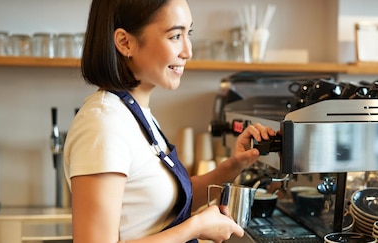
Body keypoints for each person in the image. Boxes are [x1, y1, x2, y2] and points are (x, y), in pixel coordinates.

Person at [62, 0, 277, 242]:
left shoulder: (135, 114)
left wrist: (235, 165)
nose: (188, 51)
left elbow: (172, 201)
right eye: (175, 36)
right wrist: (194, 227)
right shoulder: (103, 124)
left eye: (189, 33)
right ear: (125, 42)